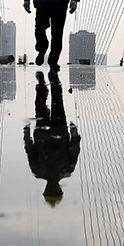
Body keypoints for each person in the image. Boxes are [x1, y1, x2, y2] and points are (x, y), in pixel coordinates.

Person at [24, 71, 80, 207]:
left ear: (45, 190)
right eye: (55, 191)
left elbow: (31, 152)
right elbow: (74, 151)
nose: (52, 189)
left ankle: (42, 84)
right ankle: (54, 78)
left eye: (50, 191)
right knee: (58, 101)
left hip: (42, 132)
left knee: (40, 105)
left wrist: (26, 136)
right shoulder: (67, 170)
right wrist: (75, 135)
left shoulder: (38, 171)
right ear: (60, 190)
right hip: (60, 130)